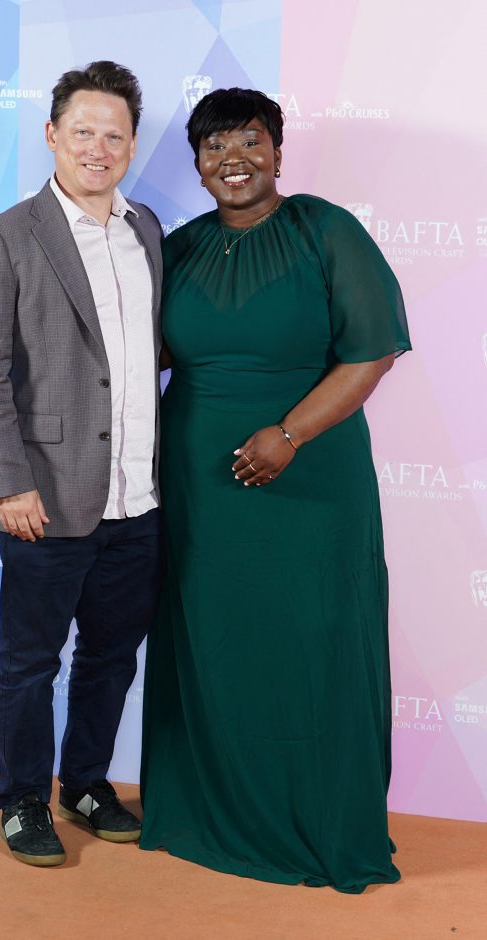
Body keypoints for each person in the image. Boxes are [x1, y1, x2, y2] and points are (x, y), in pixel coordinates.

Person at [139, 87, 411, 894]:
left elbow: (371, 352)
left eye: (250, 141)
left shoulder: (325, 231)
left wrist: (288, 435)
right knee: (213, 640)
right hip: (200, 486)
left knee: (313, 642)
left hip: (311, 482)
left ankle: (320, 824)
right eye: (215, 147)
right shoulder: (179, 248)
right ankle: (206, 813)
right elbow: (142, 352)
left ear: (278, 152)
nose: (234, 159)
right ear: (197, 164)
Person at [0, 61, 163, 867]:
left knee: (111, 659)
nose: (97, 148)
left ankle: (84, 783)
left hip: (138, 499)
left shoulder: (146, 231)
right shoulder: (5, 236)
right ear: (52, 135)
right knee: (31, 664)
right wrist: (8, 482)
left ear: (132, 145)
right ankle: (21, 799)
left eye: (114, 135)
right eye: (83, 131)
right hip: (44, 494)